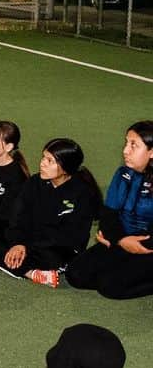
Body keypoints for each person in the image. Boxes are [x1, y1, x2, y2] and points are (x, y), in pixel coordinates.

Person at [0, 137, 100, 287]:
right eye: (44, 157)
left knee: (52, 258)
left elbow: (68, 237)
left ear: (66, 168)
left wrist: (26, 246)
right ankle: (31, 273)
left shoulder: (82, 194)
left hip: (57, 249)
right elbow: (17, 217)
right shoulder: (35, 182)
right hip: (28, 242)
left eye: (50, 161)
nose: (42, 163)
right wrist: (18, 243)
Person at [66, 120, 153, 299]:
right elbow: (109, 213)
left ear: (152, 152)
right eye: (126, 143)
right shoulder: (123, 174)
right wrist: (120, 239)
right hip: (121, 240)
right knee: (75, 274)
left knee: (110, 287)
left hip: (148, 248)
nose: (125, 150)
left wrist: (134, 245)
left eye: (133, 145)